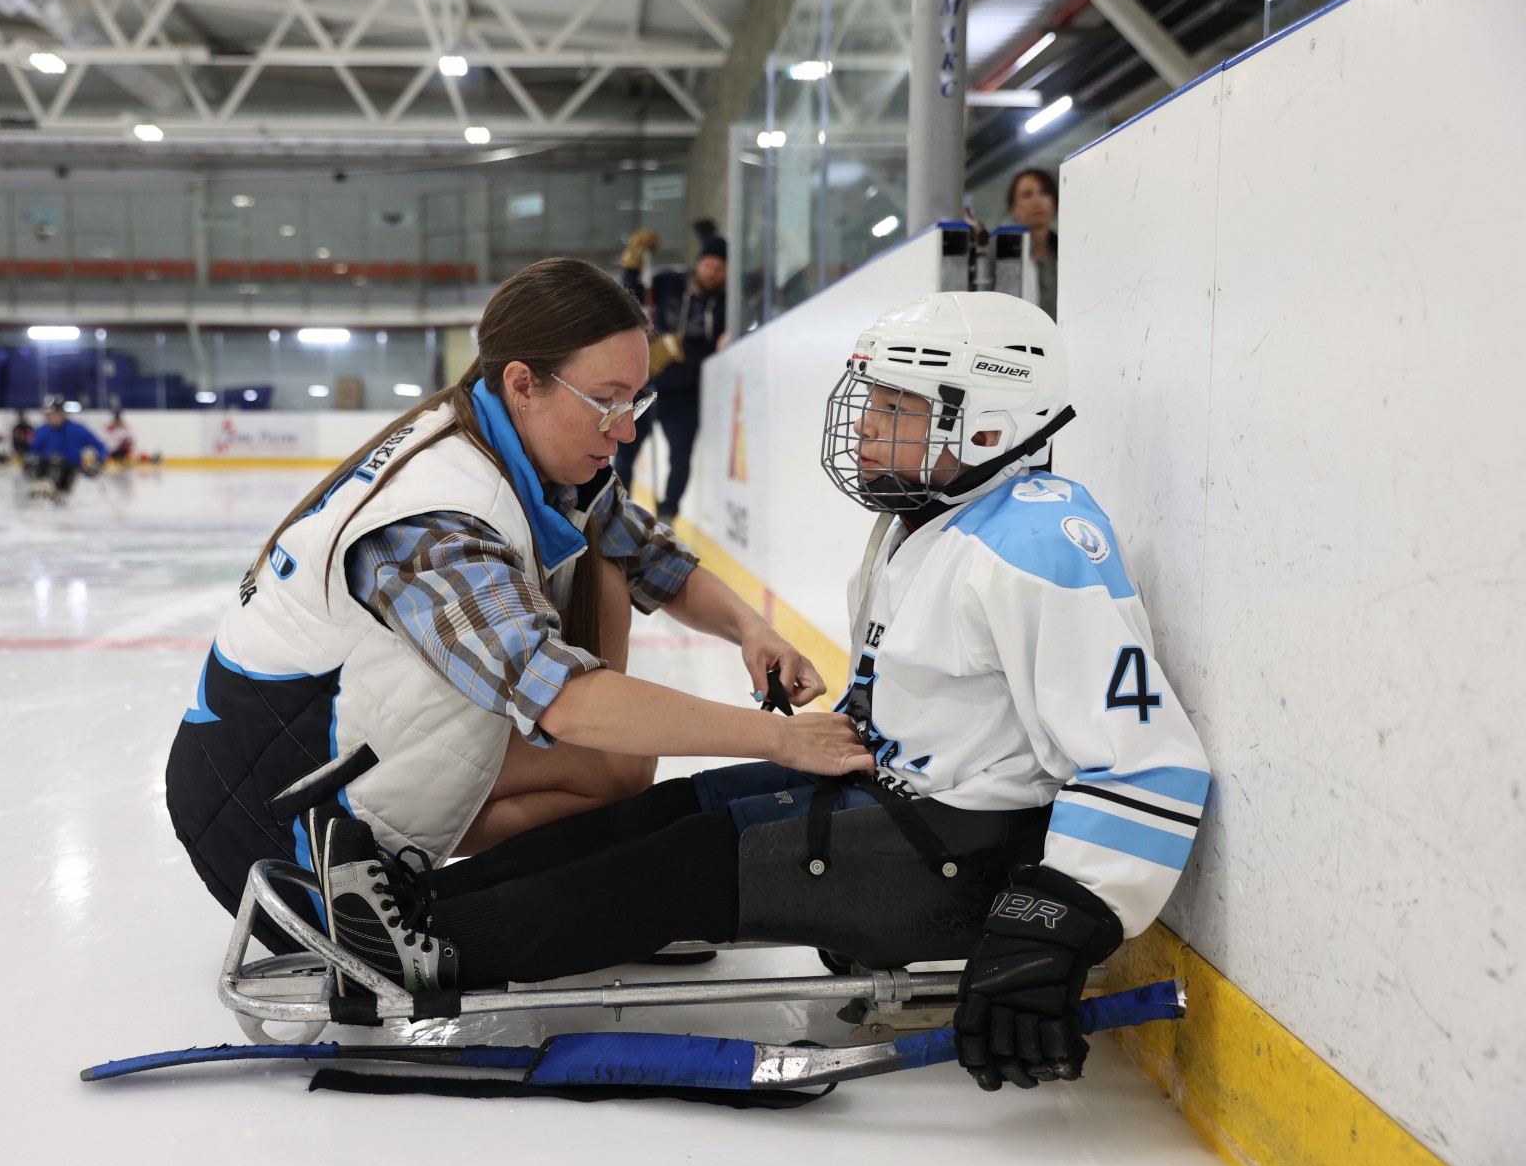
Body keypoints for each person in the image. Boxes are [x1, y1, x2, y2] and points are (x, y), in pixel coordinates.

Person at [318, 291, 1212, 1093]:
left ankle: (440, 953)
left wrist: (1047, 931)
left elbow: (1148, 765)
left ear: (985, 424)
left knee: (687, 867)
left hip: (959, 856)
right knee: (679, 809)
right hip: (900, 803)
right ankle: (427, 907)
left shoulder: (1042, 545)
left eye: (894, 410)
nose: (864, 431)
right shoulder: (929, 520)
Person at [164, 258, 867, 960]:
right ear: (523, 383)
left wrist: (753, 629)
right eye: (608, 401)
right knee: (604, 741)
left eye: (635, 402)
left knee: (605, 592)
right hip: (279, 836)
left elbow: (654, 561)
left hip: (312, 767)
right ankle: (417, 909)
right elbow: (560, 699)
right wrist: (781, 739)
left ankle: (551, 894)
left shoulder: (516, 448)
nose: (625, 431)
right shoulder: (436, 521)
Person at [615, 222, 728, 520]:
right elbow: (631, 295)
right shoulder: (668, 282)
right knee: (625, 450)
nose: (712, 272)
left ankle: (667, 515)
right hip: (646, 385)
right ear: (698, 263)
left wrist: (684, 354)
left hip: (684, 394)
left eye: (719, 268)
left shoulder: (724, 306)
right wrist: (632, 264)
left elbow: (717, 349)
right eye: (708, 265)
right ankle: (618, 510)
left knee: (681, 457)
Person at [24, 397, 107, 499]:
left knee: (57, 461)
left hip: (67, 472)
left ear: (62, 413)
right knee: (40, 461)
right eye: (48, 415)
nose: (50, 417)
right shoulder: (42, 430)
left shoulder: (77, 429)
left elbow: (101, 447)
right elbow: (32, 451)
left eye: (53, 414)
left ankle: (52, 489)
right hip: (45, 470)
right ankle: (40, 487)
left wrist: (99, 461)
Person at [1006, 168, 1059, 321]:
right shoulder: (1003, 258)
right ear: (1013, 208)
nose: (1037, 201)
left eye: (1044, 193)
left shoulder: (1069, 253)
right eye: (1027, 195)